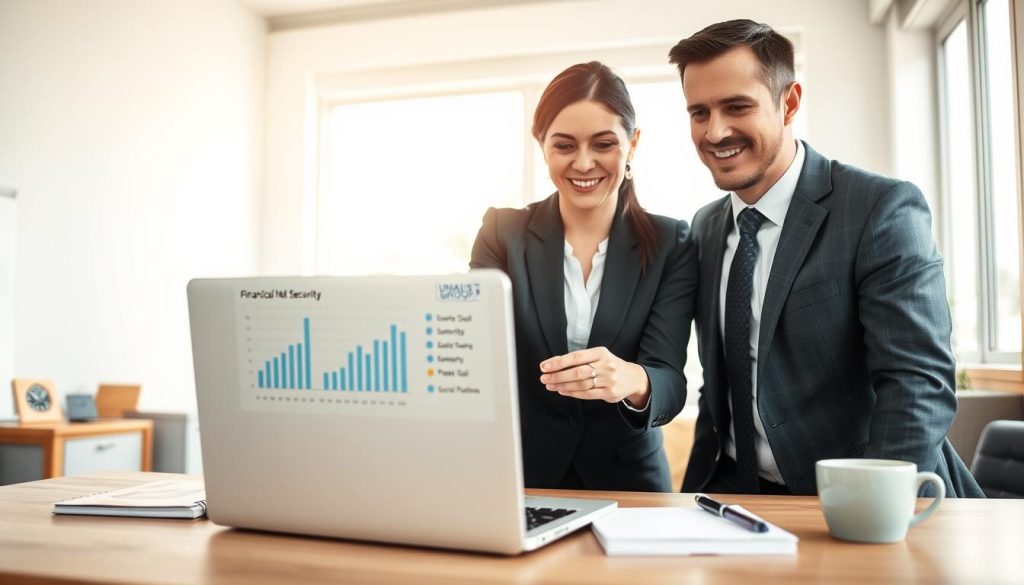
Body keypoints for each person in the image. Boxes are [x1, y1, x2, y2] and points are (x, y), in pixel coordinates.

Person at [669, 19, 983, 496]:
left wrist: (873, 510)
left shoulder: (880, 207)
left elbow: (917, 382)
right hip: (734, 497)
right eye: (699, 112)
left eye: (737, 107)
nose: (715, 131)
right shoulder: (707, 227)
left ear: (789, 102)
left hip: (856, 501)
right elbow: (722, 385)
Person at [470, 62, 697, 491]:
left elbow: (670, 379)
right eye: (564, 145)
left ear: (633, 145)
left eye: (604, 143)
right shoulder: (502, 233)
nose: (584, 162)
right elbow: (475, 355)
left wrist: (632, 379)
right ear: (542, 145)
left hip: (630, 482)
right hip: (522, 477)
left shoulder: (672, 242)